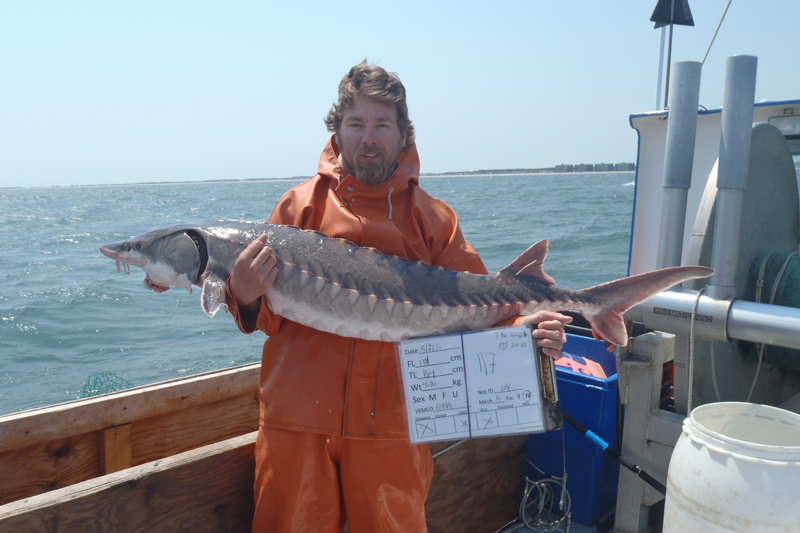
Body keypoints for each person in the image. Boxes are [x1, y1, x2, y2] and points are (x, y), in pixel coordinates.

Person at [225, 61, 572, 532]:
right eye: (356, 124)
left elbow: (481, 318)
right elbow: (271, 319)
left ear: (403, 133)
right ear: (338, 132)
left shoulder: (435, 220)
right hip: (297, 420)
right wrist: (242, 296)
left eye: (382, 125)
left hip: (396, 425)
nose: (368, 138)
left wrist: (526, 331)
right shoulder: (297, 207)